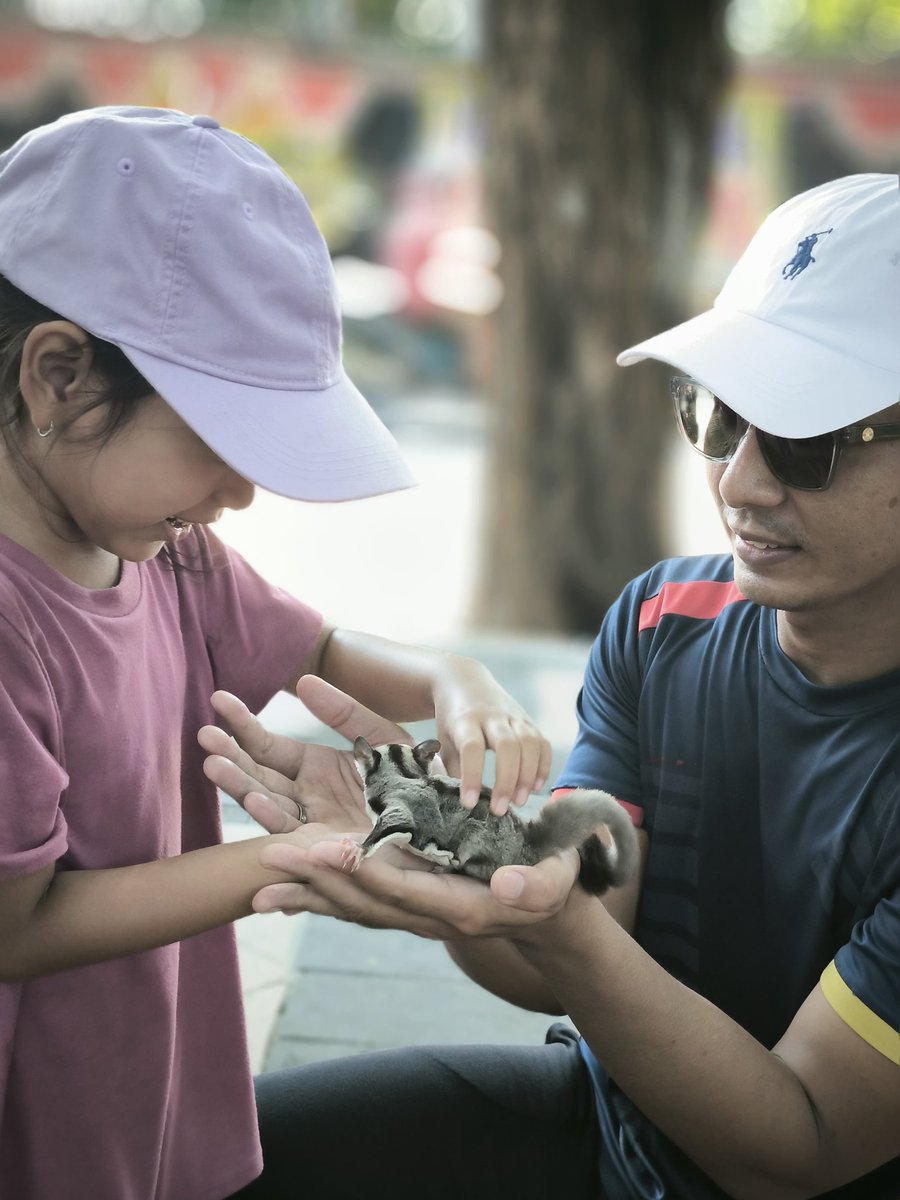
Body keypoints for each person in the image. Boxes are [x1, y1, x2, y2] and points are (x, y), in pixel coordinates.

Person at [209, 172, 900, 1200]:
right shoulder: (668, 623)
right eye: (718, 418)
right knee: (205, 1163)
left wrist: (561, 931)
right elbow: (577, 920)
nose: (742, 483)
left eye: (807, 442)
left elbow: (790, 1148)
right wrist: (463, 852)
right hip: (615, 1131)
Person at [0, 106, 553, 1200]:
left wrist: (454, 680)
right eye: (222, 442)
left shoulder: (171, 557)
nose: (244, 494)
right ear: (58, 376)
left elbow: (325, 647)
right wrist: (289, 856)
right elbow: (19, 929)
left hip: (147, 1093)